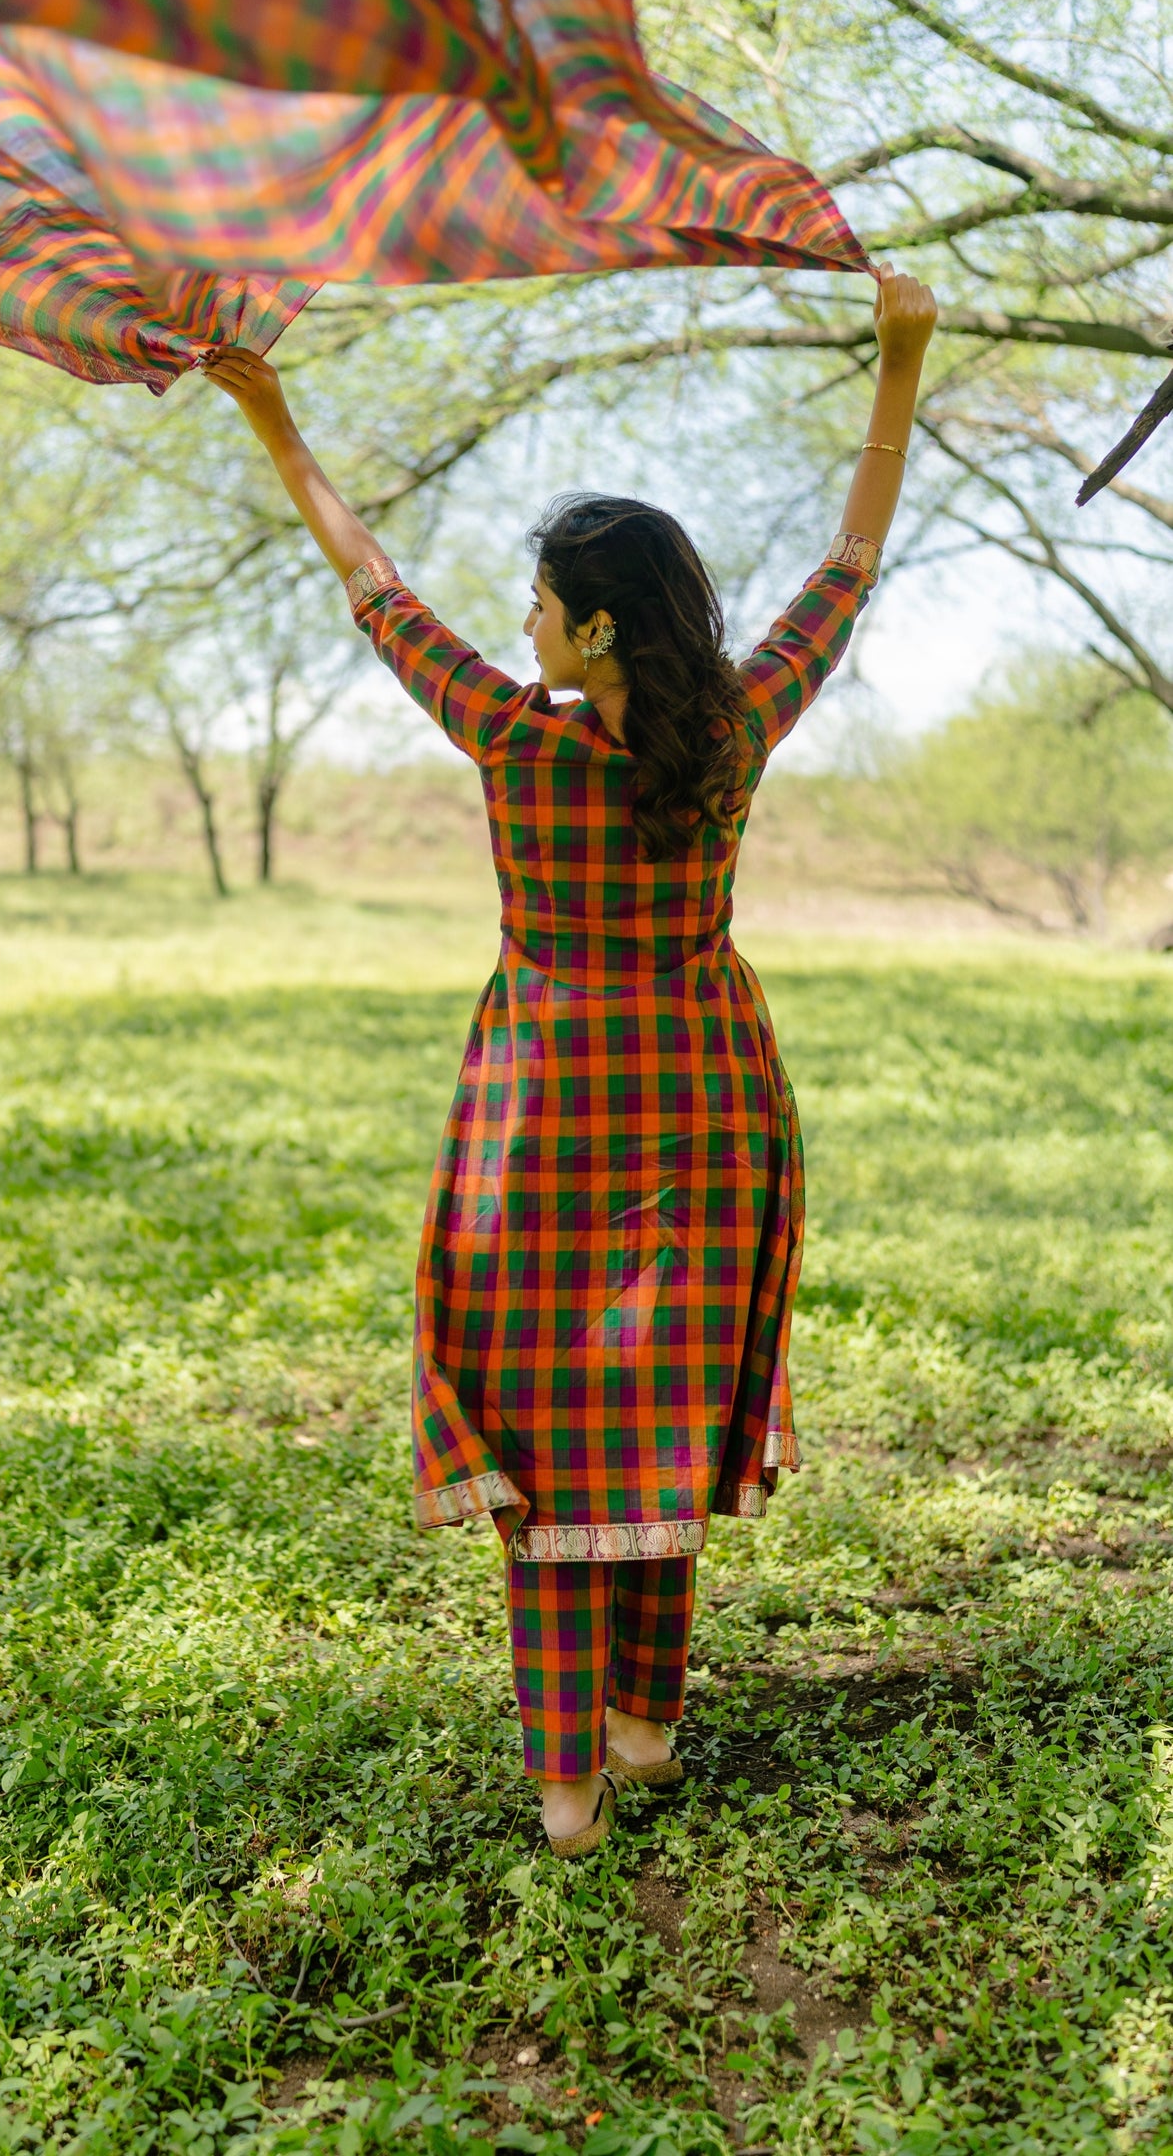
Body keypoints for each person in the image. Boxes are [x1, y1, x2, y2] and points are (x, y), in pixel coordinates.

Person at [204, 264, 937, 1857]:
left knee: (544, 1443)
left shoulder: (509, 734)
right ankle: (647, 1731)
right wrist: (901, 355)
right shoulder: (729, 730)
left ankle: (566, 1796)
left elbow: (369, 582)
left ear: (590, 624)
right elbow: (852, 558)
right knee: (655, 1410)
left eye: (540, 604)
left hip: (538, 1116)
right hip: (703, 1102)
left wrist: (272, 412)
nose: (519, 624)